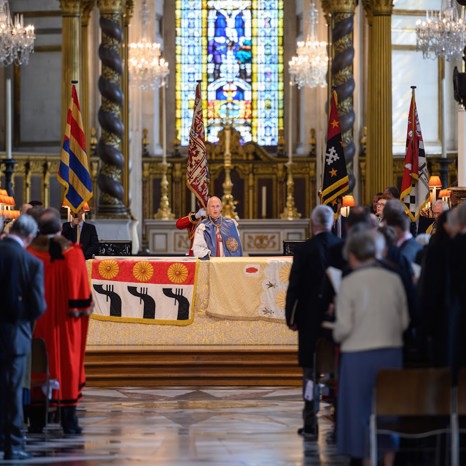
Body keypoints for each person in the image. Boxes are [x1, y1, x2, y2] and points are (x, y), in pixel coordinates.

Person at [333, 229, 409, 466]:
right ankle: (388, 459)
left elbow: (343, 329)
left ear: (353, 255)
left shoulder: (350, 281)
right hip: (392, 351)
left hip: (357, 355)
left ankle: (367, 460)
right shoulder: (394, 277)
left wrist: (333, 330)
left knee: (359, 413)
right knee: (389, 408)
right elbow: (405, 321)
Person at [27, 208, 94, 435]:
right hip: (66, 324)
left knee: (37, 366)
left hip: (38, 323)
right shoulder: (73, 254)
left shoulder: (30, 253)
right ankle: (69, 421)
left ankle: (36, 422)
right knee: (66, 365)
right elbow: (83, 301)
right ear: (60, 228)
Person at [285, 204, 343, 440]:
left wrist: (291, 317)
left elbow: (294, 286)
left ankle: (311, 423)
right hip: (336, 317)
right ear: (331, 223)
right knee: (338, 368)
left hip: (308, 318)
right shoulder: (341, 246)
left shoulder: (305, 249)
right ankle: (340, 419)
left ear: (312, 223)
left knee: (310, 371)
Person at [0, 214, 46, 460]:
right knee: (13, 390)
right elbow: (38, 306)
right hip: (16, 334)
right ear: (29, 236)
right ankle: (13, 444)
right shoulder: (30, 261)